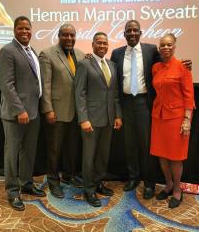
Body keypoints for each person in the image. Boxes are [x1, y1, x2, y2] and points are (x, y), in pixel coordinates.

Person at [110, 19, 191, 200]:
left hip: (144, 103)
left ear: (140, 33)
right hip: (125, 104)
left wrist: (186, 65)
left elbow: (167, 63)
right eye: (128, 31)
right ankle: (133, 178)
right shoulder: (116, 54)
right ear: (124, 34)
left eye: (135, 30)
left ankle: (149, 182)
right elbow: (110, 73)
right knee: (129, 143)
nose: (132, 33)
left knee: (147, 145)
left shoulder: (150, 50)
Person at [0, 16, 45, 211]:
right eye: (21, 29)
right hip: (16, 114)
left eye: (28, 29)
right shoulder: (7, 51)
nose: (25, 32)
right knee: (12, 152)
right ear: (14, 30)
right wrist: (20, 110)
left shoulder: (31, 50)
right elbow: (6, 85)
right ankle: (12, 191)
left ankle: (26, 184)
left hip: (33, 112)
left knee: (28, 151)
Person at [75, 32, 122, 207]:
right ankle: (88, 190)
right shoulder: (84, 64)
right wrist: (83, 119)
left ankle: (97, 182)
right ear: (93, 44)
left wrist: (118, 115)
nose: (102, 46)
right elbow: (79, 94)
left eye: (105, 43)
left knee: (103, 155)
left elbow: (115, 94)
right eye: (99, 43)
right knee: (89, 156)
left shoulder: (112, 65)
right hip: (91, 121)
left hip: (109, 119)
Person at [39, 23, 84, 199]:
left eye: (72, 35)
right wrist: (48, 109)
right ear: (58, 35)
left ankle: (69, 176)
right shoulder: (47, 54)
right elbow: (46, 85)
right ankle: (52, 180)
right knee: (54, 149)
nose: (69, 38)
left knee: (72, 148)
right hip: (56, 112)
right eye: (65, 35)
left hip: (75, 112)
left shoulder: (80, 54)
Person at [150, 33, 194, 208]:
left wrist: (187, 120)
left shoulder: (183, 67)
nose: (165, 47)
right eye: (162, 45)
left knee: (175, 158)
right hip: (158, 117)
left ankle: (177, 189)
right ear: (159, 48)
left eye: (169, 45)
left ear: (174, 46)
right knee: (162, 155)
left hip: (176, 119)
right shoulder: (156, 68)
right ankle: (168, 185)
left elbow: (189, 95)